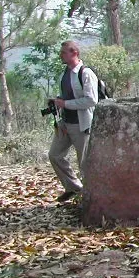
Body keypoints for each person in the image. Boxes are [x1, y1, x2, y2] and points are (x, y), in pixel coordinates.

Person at [48, 40, 99, 202]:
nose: (61, 55)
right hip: (66, 123)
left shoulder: (85, 73)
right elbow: (65, 95)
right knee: (55, 155)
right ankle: (74, 188)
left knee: (84, 162)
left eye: (64, 52)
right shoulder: (64, 74)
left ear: (74, 53)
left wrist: (66, 104)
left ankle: (90, 198)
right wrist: (58, 103)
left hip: (82, 125)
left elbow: (91, 100)